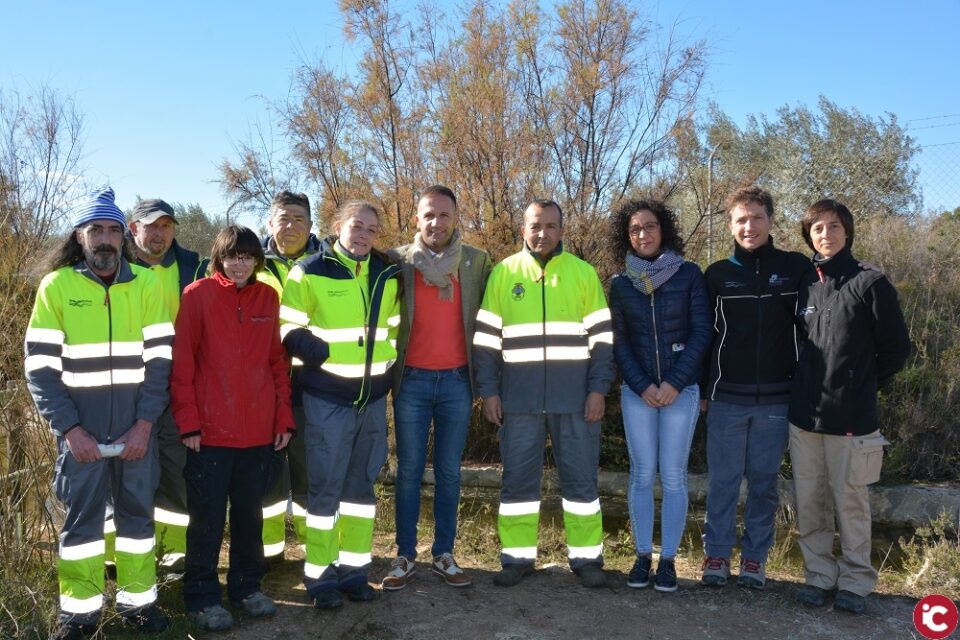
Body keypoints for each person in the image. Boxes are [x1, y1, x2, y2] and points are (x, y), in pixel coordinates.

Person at [24, 186, 173, 639]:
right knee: (81, 523)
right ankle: (79, 615)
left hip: (136, 431)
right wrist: (69, 429)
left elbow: (161, 362)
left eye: (112, 229)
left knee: (137, 520)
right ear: (80, 236)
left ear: (122, 237)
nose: (104, 239)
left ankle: (138, 605)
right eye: (95, 230)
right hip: (80, 433)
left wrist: (145, 425)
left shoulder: (146, 284)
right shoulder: (57, 286)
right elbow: (39, 368)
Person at [473, 199, 615, 588]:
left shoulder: (583, 274)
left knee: (581, 482)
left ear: (561, 230)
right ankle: (517, 559)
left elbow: (603, 342)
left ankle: (587, 560)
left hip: (576, 400)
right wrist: (489, 393)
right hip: (518, 401)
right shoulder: (503, 273)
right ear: (524, 229)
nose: (543, 233)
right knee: (518, 481)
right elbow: (485, 343)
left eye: (551, 226)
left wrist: (598, 390)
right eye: (536, 226)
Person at [788, 200, 910, 613]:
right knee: (811, 501)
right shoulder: (806, 282)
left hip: (853, 422)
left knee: (851, 504)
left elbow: (896, 349)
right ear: (809, 236)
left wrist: (861, 383)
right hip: (805, 419)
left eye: (834, 226)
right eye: (818, 228)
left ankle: (856, 582)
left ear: (848, 231)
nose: (826, 234)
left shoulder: (870, 282)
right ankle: (819, 576)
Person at [171, 225, 295, 631]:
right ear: (219, 258)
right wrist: (188, 422)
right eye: (232, 256)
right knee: (206, 519)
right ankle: (203, 597)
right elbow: (183, 366)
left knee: (249, 516)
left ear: (257, 260)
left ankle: (246, 587)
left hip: (258, 434)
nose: (239, 263)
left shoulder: (268, 297)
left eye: (247, 256)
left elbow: (278, 364)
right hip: (209, 434)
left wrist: (283, 419)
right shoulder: (197, 296)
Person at [280, 201, 401, 609]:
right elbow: (288, 327)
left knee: (360, 490)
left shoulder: (387, 273)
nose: (363, 234)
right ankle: (320, 578)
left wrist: (386, 368)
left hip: (371, 400)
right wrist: (323, 353)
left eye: (371, 228)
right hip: (327, 397)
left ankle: (354, 573)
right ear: (337, 227)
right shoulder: (311, 270)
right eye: (356, 226)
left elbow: (396, 328)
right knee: (326, 489)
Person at [700, 186, 811, 589]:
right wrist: (703, 390)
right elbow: (705, 337)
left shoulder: (796, 268)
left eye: (757, 217)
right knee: (723, 481)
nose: (750, 226)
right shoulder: (716, 274)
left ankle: (754, 559)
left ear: (771, 220)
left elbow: (812, 328)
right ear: (730, 225)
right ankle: (716, 555)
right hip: (727, 398)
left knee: (764, 484)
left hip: (777, 401)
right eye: (741, 219)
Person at [382, 185, 492, 590]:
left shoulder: (477, 262)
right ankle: (405, 555)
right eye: (428, 215)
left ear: (455, 217)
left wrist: (489, 380)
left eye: (444, 215)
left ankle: (444, 553)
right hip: (410, 380)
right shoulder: (397, 261)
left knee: (449, 471)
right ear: (416, 218)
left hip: (457, 382)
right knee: (408, 471)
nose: (436, 222)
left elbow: (490, 323)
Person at [608, 199, 711, 592]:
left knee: (672, 476)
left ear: (662, 229)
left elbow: (702, 333)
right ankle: (641, 556)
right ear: (627, 235)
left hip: (680, 392)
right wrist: (644, 386)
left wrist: (673, 383)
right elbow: (619, 343)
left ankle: (667, 560)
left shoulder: (688, 274)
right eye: (635, 229)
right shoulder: (620, 283)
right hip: (639, 393)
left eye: (649, 227)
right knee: (640, 474)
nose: (643, 234)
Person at [128, 198, 208, 569]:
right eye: (151, 226)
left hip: (179, 388)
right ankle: (121, 561)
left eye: (166, 226)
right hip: (130, 388)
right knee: (130, 474)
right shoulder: (119, 268)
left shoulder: (194, 267)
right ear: (134, 229)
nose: (158, 233)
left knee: (176, 474)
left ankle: (174, 559)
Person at [259, 190, 322, 561]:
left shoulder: (329, 263)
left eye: (299, 219)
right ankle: (268, 553)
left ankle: (314, 548)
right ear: (270, 223)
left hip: (312, 386)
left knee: (308, 473)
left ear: (311, 225)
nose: (291, 226)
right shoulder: (251, 263)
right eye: (283, 218)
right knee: (266, 475)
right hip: (261, 387)